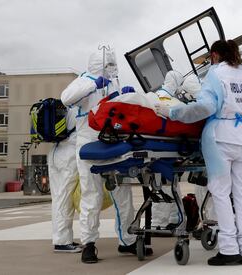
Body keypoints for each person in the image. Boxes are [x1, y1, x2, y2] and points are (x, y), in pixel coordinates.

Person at [155, 39, 242, 266]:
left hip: (222, 137)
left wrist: (172, 112)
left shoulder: (216, 74)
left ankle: (228, 249)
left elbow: (205, 108)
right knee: (241, 193)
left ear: (214, 55)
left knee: (221, 192)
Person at [61, 48, 146, 263]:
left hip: (112, 142)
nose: (112, 69)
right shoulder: (84, 80)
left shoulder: (112, 82)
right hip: (89, 143)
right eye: (108, 65)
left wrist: (127, 95)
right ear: (98, 65)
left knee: (123, 194)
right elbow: (66, 98)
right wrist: (92, 85)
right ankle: (88, 244)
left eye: (113, 65)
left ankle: (127, 240)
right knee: (92, 195)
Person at [48, 107, 81, 253]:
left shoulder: (66, 108)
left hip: (55, 153)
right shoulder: (79, 109)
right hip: (68, 156)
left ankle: (62, 237)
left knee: (58, 198)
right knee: (64, 199)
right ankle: (62, 242)